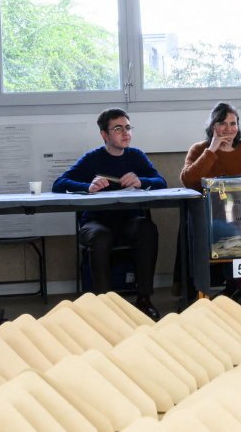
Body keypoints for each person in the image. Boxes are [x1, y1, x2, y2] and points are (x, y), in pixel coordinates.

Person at [53, 108, 166, 321]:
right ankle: (103, 305)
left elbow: (161, 182)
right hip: (95, 222)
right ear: (104, 134)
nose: (125, 133)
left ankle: (144, 299)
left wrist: (141, 181)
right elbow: (59, 184)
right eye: (118, 128)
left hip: (128, 221)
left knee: (147, 228)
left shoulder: (136, 156)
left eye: (128, 128)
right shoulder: (92, 158)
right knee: (101, 236)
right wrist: (88, 187)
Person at [182, 102, 241, 300]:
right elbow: (188, 180)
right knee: (230, 230)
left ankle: (237, 285)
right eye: (222, 123)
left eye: (233, 123)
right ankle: (238, 283)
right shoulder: (199, 149)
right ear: (213, 126)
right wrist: (211, 150)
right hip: (212, 217)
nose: (229, 129)